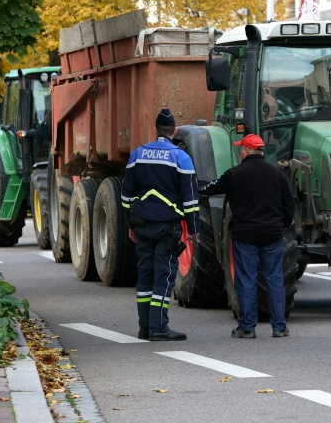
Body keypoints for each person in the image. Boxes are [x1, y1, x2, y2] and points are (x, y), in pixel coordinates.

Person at [198, 134, 294, 338]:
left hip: (245, 236)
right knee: (274, 279)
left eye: (241, 149)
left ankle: (247, 327)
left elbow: (210, 189)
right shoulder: (277, 172)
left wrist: (194, 184)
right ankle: (279, 327)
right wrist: (282, 226)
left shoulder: (235, 174)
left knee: (246, 280)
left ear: (246, 152)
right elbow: (288, 203)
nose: (240, 152)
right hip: (272, 234)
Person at [121, 108, 199, 341]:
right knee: (164, 276)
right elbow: (191, 200)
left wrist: (130, 225)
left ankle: (144, 326)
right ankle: (159, 328)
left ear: (155, 130)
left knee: (145, 275)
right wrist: (193, 229)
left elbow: (126, 196)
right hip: (167, 227)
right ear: (174, 131)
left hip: (143, 225)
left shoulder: (137, 155)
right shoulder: (181, 158)